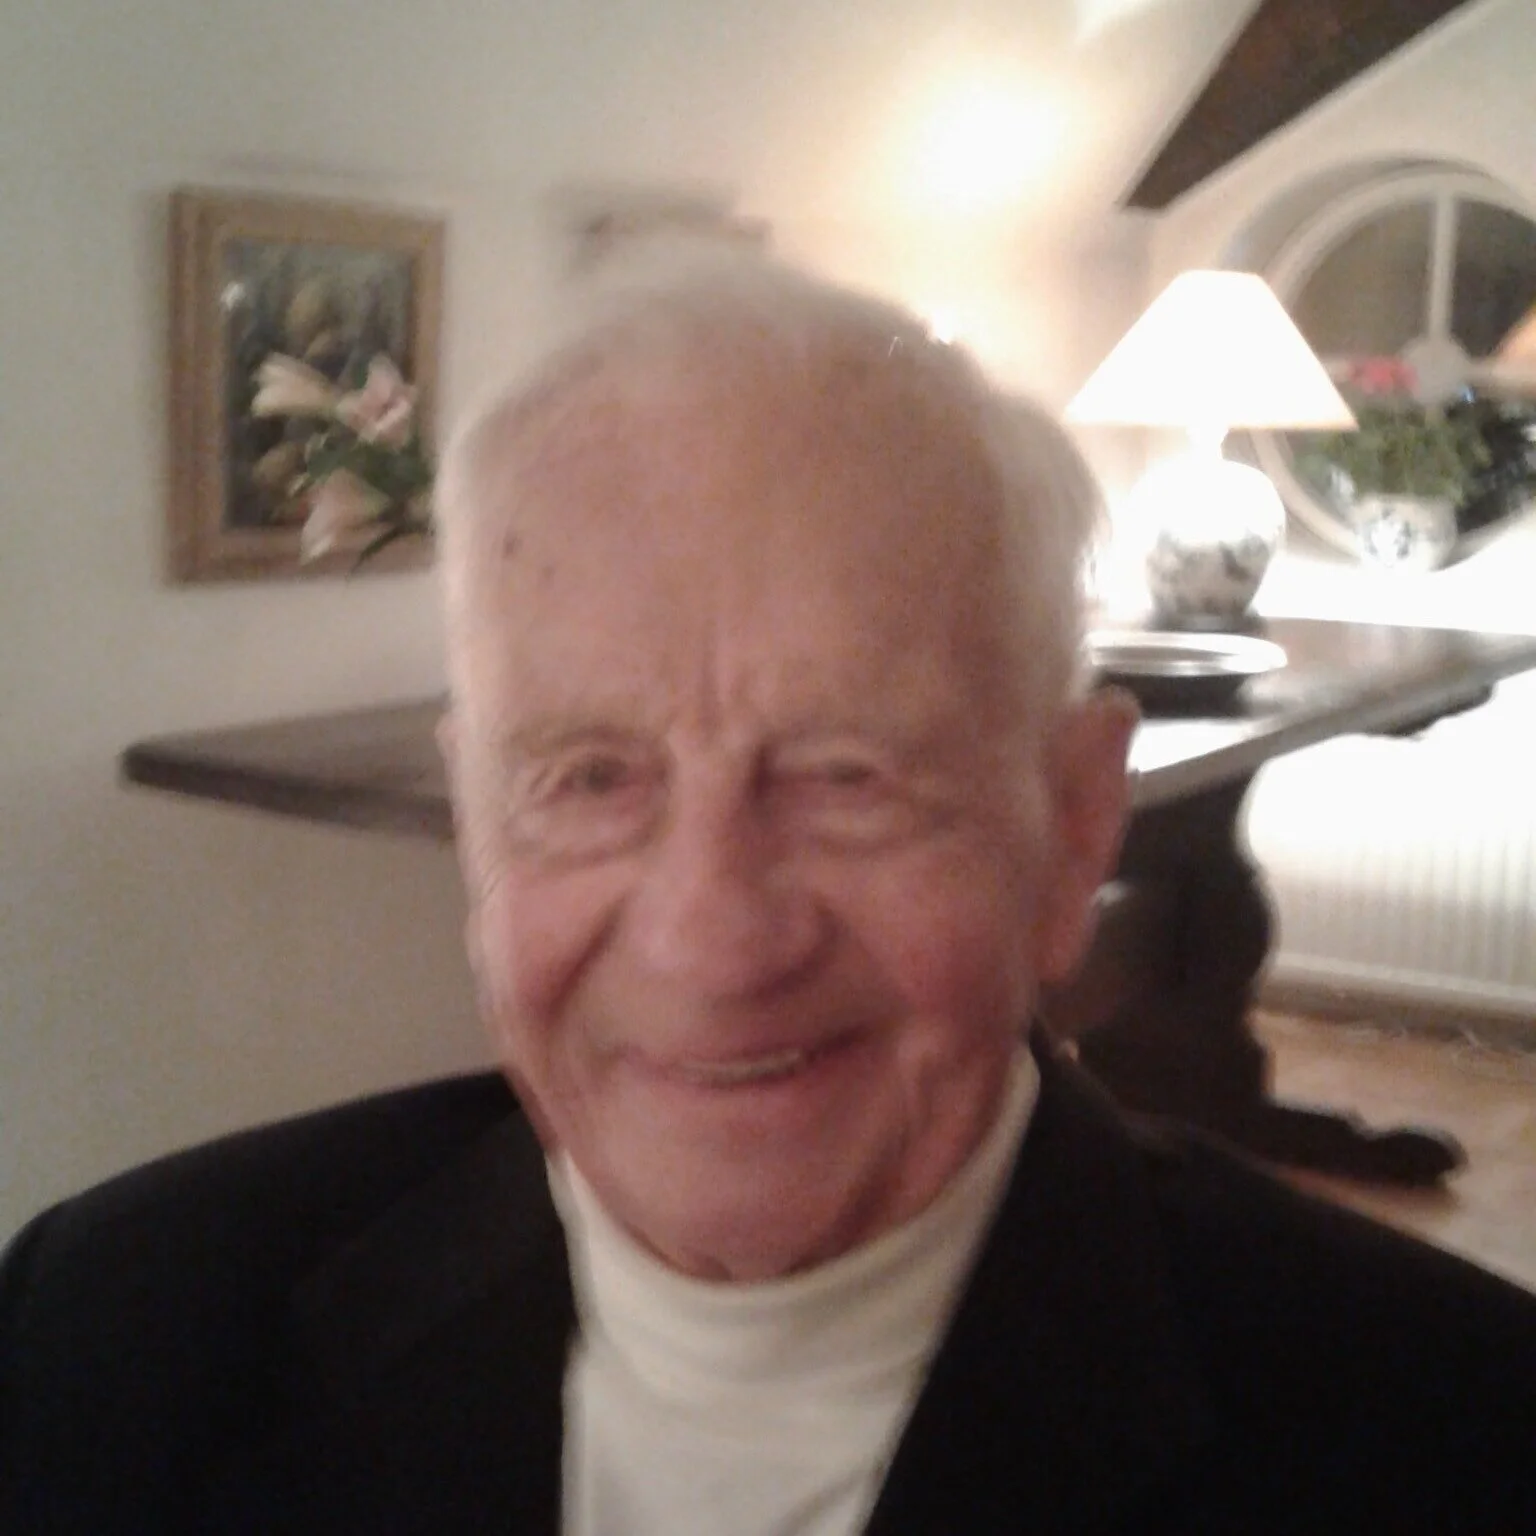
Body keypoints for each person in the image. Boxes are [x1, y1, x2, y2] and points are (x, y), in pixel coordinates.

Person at [2, 245, 1533, 1535]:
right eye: (589, 779)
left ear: (1073, 828)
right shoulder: (112, 1329)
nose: (711, 941)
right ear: (477, 822)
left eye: (849, 776)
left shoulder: (1456, 1443)